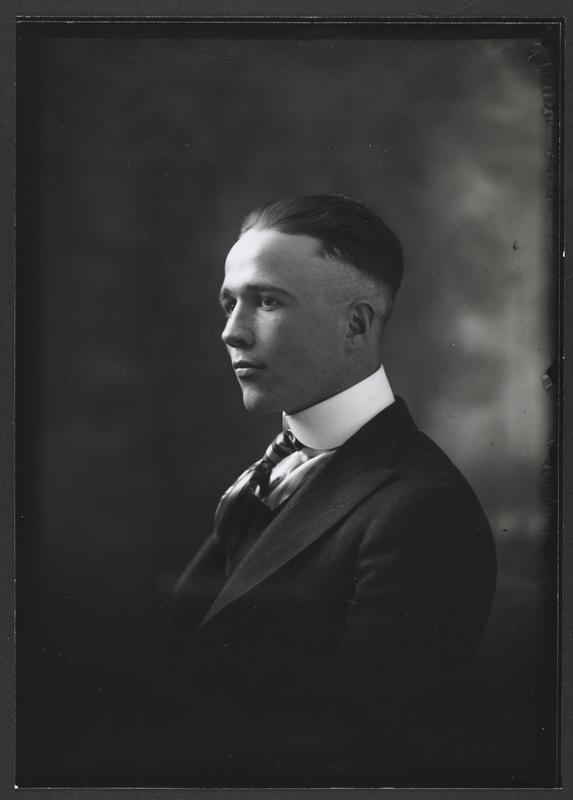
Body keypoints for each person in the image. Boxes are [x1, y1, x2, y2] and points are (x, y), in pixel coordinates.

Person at [168, 195, 497, 786]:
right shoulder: (270, 473)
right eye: (229, 302)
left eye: (267, 301)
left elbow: (367, 755)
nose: (232, 332)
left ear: (355, 325)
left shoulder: (421, 507)